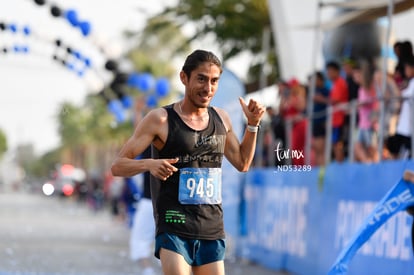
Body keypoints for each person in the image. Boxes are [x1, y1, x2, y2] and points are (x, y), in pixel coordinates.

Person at [111, 49, 265, 275]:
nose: (208, 88)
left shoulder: (221, 118)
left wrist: (252, 126)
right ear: (184, 78)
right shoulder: (160, 119)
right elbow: (118, 165)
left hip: (211, 228)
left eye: (214, 81)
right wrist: (149, 165)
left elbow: (242, 163)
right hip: (173, 225)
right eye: (201, 79)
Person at [129, 147, 156, 275]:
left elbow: (121, 166)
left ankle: (148, 270)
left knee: (139, 239)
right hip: (173, 203)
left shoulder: (148, 138)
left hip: (149, 201)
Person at [387, 56, 414, 159]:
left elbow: (405, 95)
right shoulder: (410, 82)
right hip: (405, 126)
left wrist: (394, 90)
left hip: (409, 127)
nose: (406, 71)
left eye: (408, 68)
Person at [326, 61, 349, 162]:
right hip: (335, 120)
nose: (328, 74)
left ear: (336, 71)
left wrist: (321, 99)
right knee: (335, 144)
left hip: (340, 120)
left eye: (330, 71)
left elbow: (336, 100)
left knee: (338, 144)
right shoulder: (335, 84)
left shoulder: (340, 82)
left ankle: (341, 166)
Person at [309, 71, 330, 166]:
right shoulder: (312, 92)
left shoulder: (326, 90)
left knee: (322, 149)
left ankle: (323, 170)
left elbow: (331, 102)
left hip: (322, 122)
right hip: (315, 123)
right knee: (317, 149)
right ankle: (319, 171)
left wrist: (320, 99)